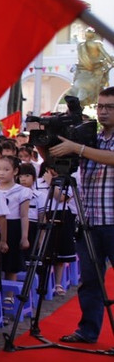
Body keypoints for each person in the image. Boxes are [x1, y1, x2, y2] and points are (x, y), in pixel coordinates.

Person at [48, 88, 114, 344]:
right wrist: (49, 144)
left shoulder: (87, 144)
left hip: (113, 223)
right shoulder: (92, 138)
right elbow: (57, 164)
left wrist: (77, 147)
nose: (103, 111)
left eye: (109, 106)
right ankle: (87, 331)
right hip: (88, 223)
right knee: (89, 281)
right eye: (100, 106)